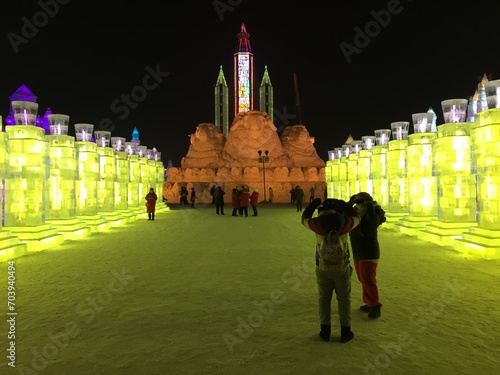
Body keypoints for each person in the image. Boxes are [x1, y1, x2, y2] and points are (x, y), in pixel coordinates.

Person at [302, 197, 365, 343]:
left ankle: (325, 331)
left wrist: (312, 205)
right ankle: (345, 331)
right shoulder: (345, 224)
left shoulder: (316, 224)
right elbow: (357, 218)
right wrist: (346, 205)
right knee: (344, 299)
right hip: (341, 267)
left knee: (324, 299)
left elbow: (304, 218)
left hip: (323, 267)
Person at [348, 192, 385, 319]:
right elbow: (344, 216)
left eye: (360, 201)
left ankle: (375, 306)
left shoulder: (375, 212)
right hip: (358, 250)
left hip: (369, 251)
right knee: (362, 278)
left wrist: (369, 206)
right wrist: (349, 203)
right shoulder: (356, 212)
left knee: (368, 280)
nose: (358, 204)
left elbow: (372, 222)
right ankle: (369, 302)